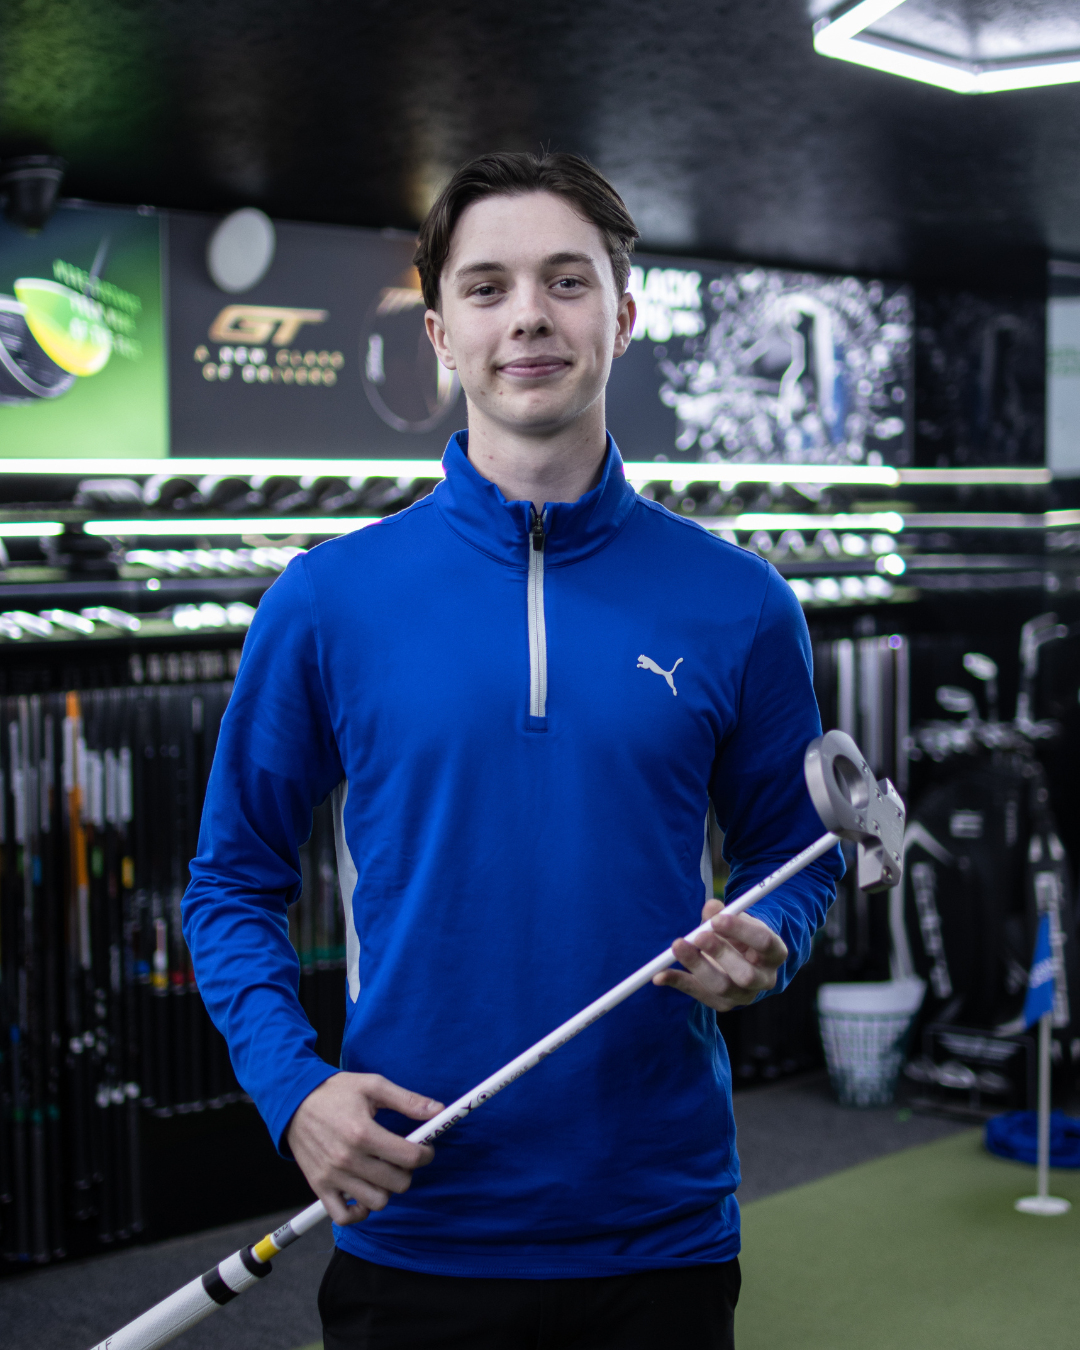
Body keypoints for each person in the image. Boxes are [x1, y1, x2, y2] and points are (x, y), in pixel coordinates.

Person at [183, 150, 841, 1350]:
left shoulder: (742, 603)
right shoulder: (328, 601)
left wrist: (771, 939)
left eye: (565, 281)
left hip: (659, 1228)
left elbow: (801, 851)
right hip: (415, 1222)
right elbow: (231, 881)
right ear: (442, 333)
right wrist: (295, 1089)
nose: (528, 315)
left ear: (623, 316)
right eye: (487, 288)